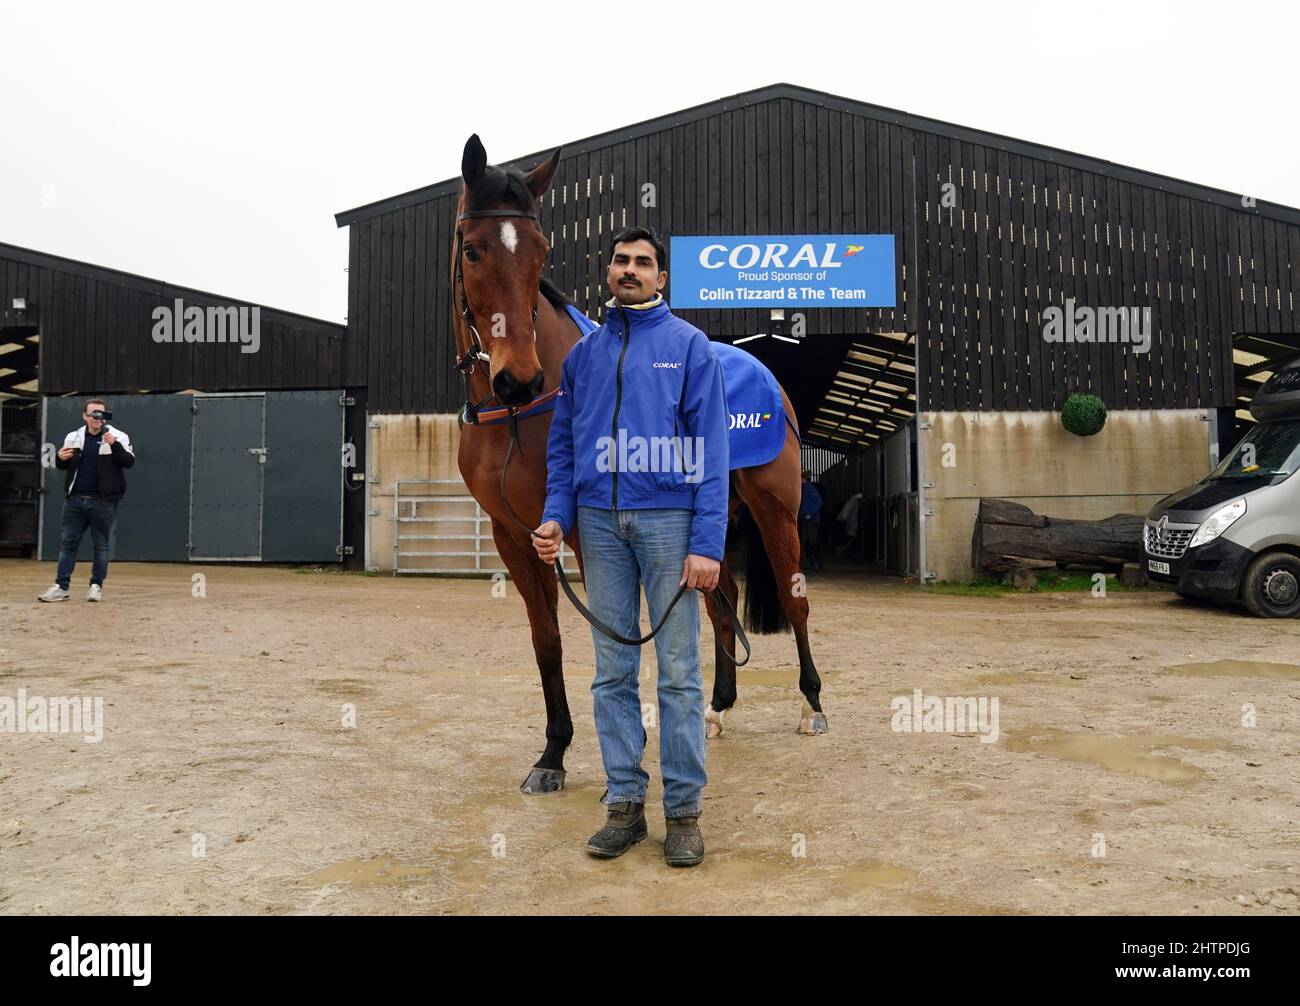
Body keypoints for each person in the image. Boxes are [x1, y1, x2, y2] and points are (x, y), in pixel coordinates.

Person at [532, 225, 729, 868]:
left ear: (661, 278)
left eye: (644, 263)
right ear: (608, 271)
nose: (631, 270)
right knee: (612, 672)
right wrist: (556, 518)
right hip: (600, 527)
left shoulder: (690, 348)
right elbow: (562, 448)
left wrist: (706, 544)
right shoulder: (583, 358)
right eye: (621, 260)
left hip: (670, 524)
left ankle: (683, 814)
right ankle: (623, 806)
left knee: (678, 675)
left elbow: (714, 456)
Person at [38, 398, 135, 602]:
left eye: (101, 413)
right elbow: (65, 466)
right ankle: (61, 586)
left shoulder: (118, 436)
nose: (97, 418)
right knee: (68, 544)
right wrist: (60, 459)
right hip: (75, 501)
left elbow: (129, 462)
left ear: (106, 415)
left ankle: (95, 586)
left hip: (103, 502)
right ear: (84, 416)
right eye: (92, 414)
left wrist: (114, 444)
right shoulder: (73, 437)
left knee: (101, 545)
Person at [798, 470, 824, 571]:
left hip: (812, 520)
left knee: (812, 540)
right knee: (806, 540)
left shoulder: (809, 489)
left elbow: (819, 502)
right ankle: (811, 562)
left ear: (803, 479)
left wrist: (810, 514)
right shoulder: (803, 489)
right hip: (805, 519)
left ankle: (817, 562)